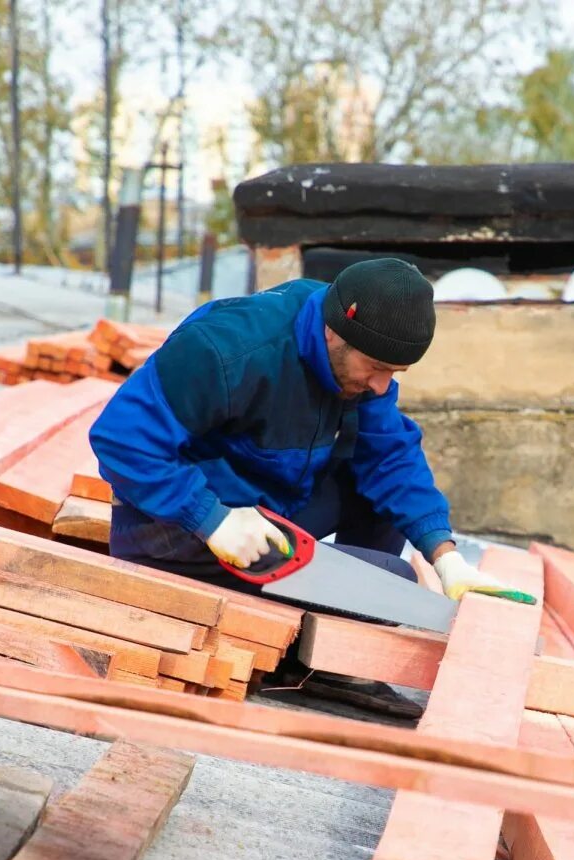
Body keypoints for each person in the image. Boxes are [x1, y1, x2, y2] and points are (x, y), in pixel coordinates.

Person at [89, 257, 521, 718]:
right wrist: (209, 518)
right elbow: (119, 438)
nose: (381, 386)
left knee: (377, 498)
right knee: (391, 581)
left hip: (267, 512)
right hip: (172, 531)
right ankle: (306, 650)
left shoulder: (356, 351)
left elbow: (390, 454)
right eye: (376, 367)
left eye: (395, 373)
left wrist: (445, 555)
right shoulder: (226, 349)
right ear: (336, 332)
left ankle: (335, 652)